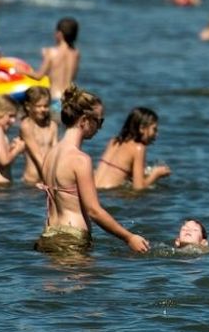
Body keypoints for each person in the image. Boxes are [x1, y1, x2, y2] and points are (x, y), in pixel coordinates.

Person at [34, 84, 150, 255]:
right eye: (99, 120)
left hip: (48, 235)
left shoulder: (50, 155)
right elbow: (94, 211)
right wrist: (129, 237)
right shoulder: (80, 159)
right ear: (84, 121)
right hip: (73, 239)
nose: (100, 127)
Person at [94, 107, 171, 190]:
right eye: (154, 129)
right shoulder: (139, 148)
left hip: (95, 189)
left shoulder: (114, 141)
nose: (156, 134)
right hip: (108, 195)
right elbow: (138, 188)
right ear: (142, 128)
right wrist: (156, 174)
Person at [19, 86, 58, 185]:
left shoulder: (52, 126)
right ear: (28, 106)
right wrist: (50, 179)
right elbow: (36, 155)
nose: (43, 109)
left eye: (46, 106)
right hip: (32, 181)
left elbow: (56, 152)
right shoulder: (26, 126)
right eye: (38, 106)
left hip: (49, 177)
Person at [36, 17, 80, 102]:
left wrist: (20, 70)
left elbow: (39, 76)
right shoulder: (76, 53)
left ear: (59, 34)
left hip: (55, 97)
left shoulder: (50, 52)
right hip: (70, 99)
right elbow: (73, 77)